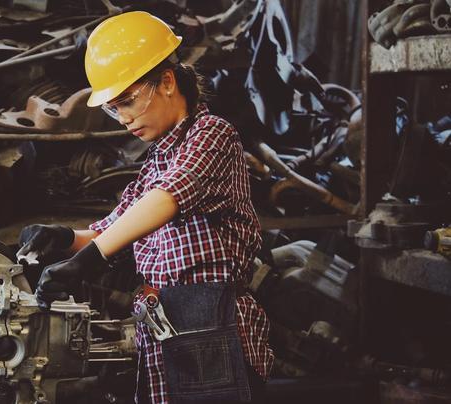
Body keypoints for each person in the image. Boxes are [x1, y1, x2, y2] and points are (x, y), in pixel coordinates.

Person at [17, 11, 273, 404]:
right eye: (114, 109)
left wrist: (88, 261)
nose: (124, 118)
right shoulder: (155, 162)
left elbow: (167, 198)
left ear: (167, 81)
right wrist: (62, 238)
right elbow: (113, 230)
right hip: (165, 329)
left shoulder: (212, 136)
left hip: (212, 329)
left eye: (129, 101)